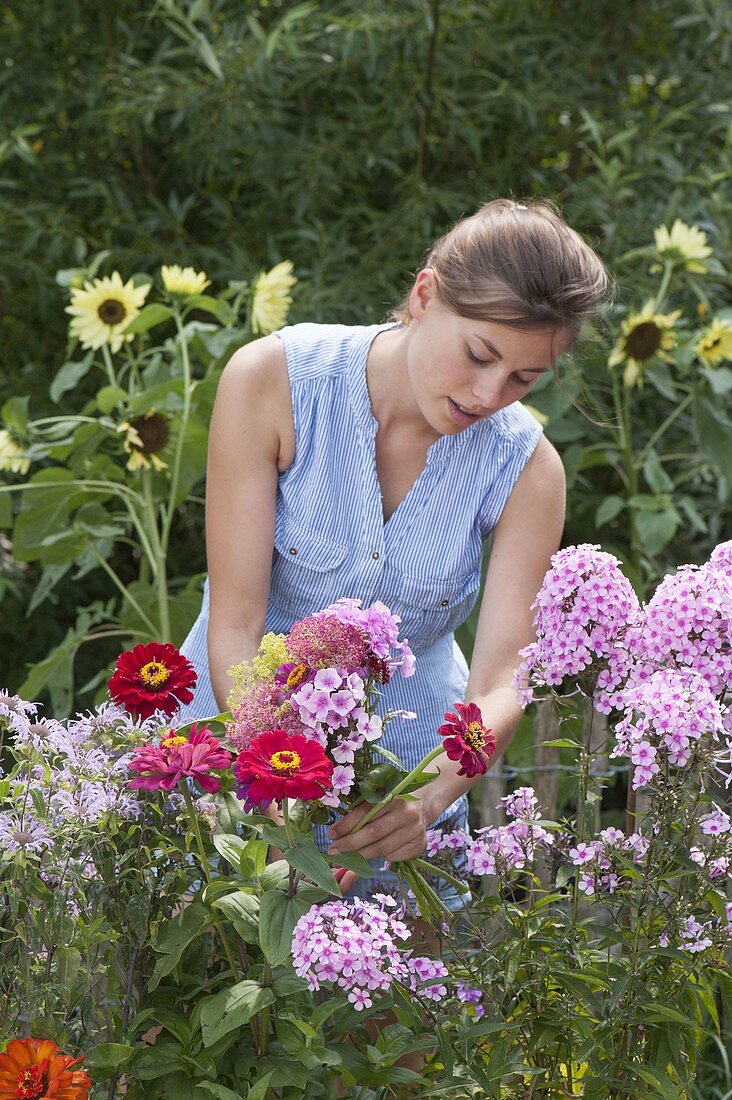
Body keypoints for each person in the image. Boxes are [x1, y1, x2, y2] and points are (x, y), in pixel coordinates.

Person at [178, 198, 609, 901]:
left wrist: (430, 800)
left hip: (400, 783)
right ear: (424, 294)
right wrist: (281, 770)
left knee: (392, 1001)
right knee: (195, 984)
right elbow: (233, 623)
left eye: (524, 378)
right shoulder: (272, 381)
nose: (489, 393)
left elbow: (505, 679)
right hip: (237, 737)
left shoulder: (530, 469)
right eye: (479, 354)